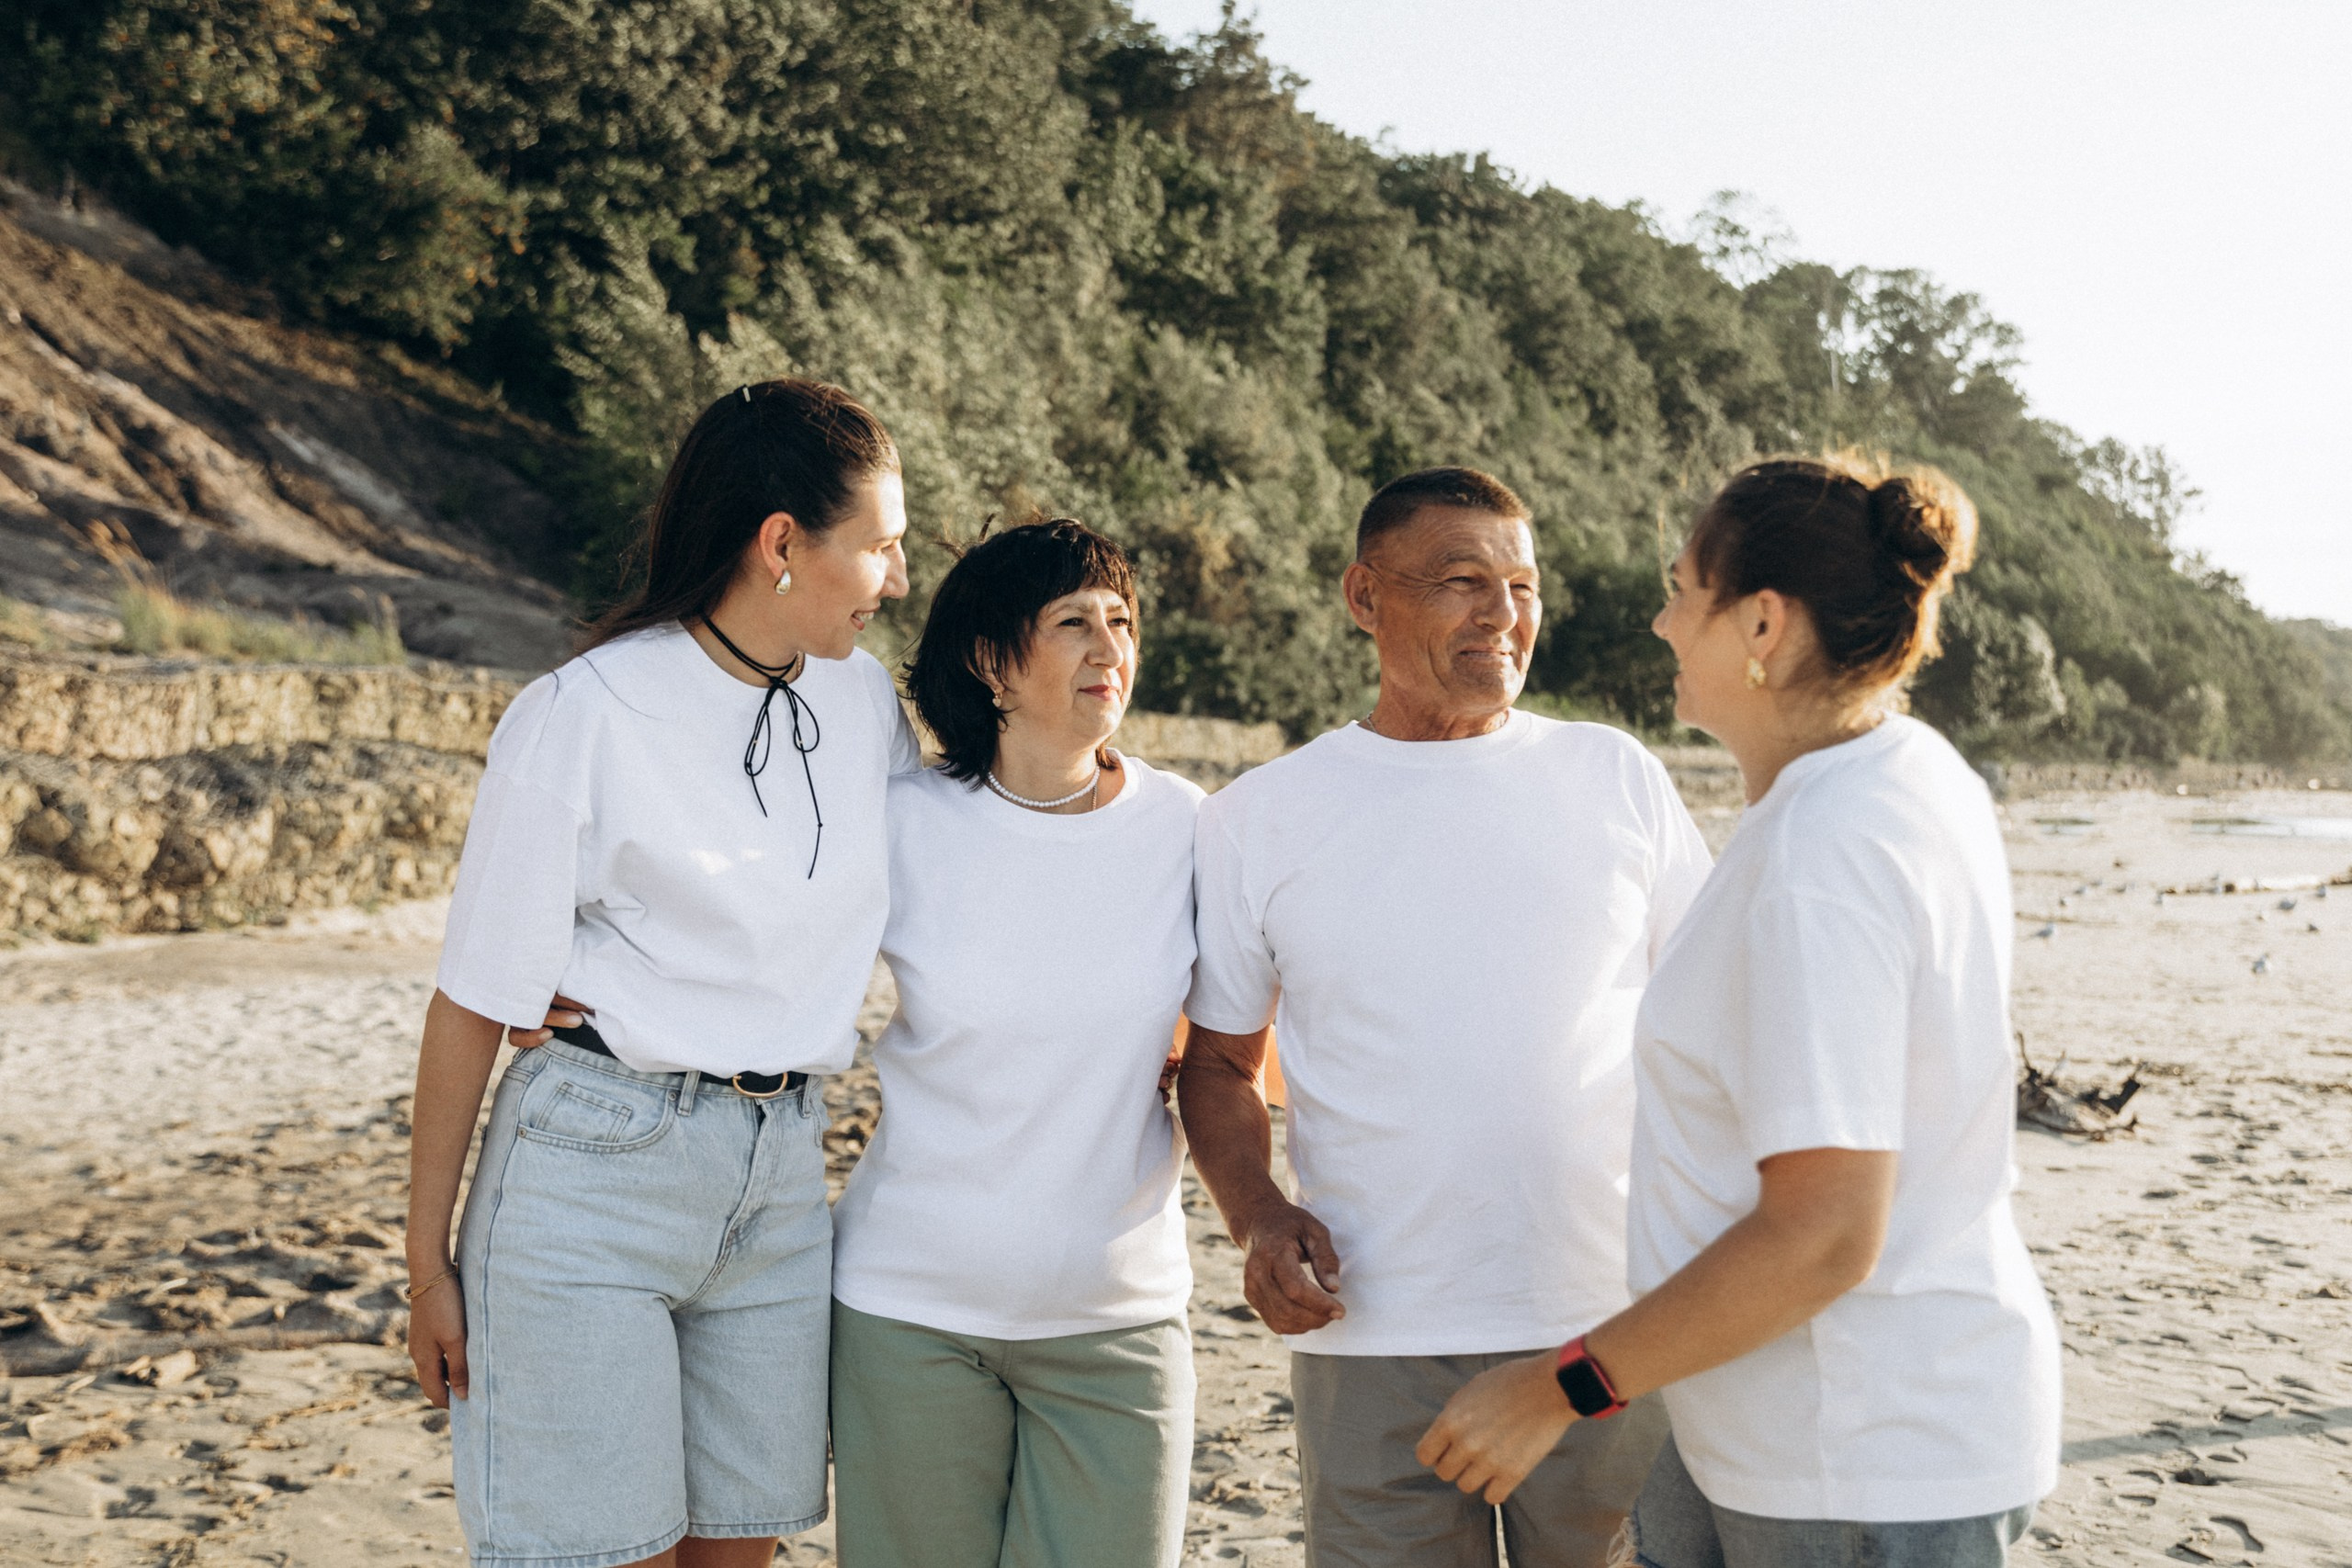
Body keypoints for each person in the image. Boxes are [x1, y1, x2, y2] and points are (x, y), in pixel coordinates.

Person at [1415, 455, 2062, 1567]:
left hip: (1857, 1454)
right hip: (1770, 1429)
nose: (1661, 622)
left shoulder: (1827, 854)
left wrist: (1562, 1386)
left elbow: (1823, 1233)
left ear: (1761, 622)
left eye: (1681, 591)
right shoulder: (1895, 772)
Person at [404, 378, 916, 1568]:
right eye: (881, 545)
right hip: (592, 1171)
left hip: (784, 1178)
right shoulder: (582, 710)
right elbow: (476, 996)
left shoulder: (866, 701)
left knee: (740, 1551)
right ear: (783, 543)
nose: (895, 579)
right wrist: (425, 1261)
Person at [1179, 467, 1713, 1568]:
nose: (1502, 614)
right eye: (1463, 582)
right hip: (1373, 1338)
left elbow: (1717, 1028)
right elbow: (1221, 1065)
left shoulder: (1614, 776)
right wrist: (1258, 1219)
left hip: (1605, 1334)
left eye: (1521, 585)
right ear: (1364, 596)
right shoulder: (1259, 818)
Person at [826, 519, 1201, 1568]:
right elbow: (753, 934)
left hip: (1116, 1316)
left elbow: (1248, 1039)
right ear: (991, 661)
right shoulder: (899, 819)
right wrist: (573, 983)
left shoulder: (1189, 828)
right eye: (1073, 623)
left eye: (1121, 623)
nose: (1109, 649)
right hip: (911, 1311)